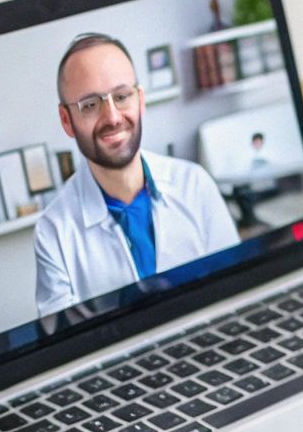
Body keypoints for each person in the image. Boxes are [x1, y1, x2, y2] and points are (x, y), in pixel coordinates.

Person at [33, 33, 239, 318]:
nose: (112, 117)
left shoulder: (195, 184)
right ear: (67, 121)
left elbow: (236, 290)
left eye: (121, 97)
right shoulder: (52, 231)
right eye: (90, 104)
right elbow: (65, 338)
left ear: (140, 100)